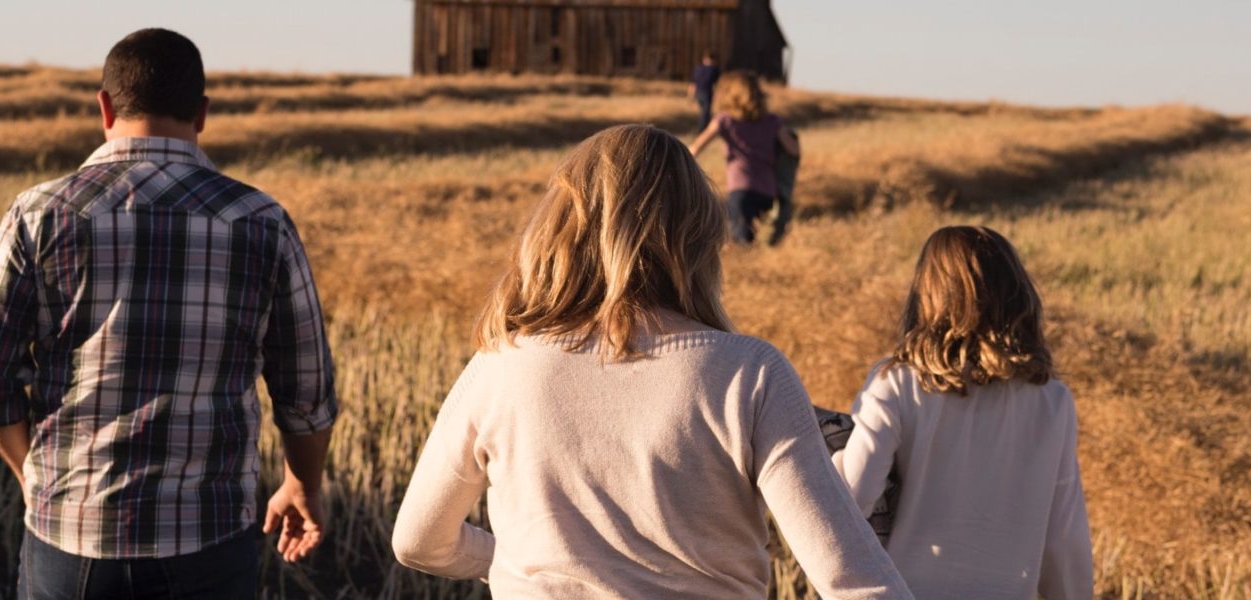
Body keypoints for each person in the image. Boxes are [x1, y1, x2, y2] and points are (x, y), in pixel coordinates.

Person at [390, 124, 912, 599]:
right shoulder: (749, 374)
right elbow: (857, 585)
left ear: (560, 227)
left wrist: (522, 565)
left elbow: (418, 540)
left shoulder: (501, 363)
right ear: (698, 234)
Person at [0, 28, 337, 599]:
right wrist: (303, 483)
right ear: (202, 113)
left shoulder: (39, 213)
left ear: (105, 107)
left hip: (71, 540)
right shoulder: (261, 220)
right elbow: (305, 390)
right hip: (209, 543)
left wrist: (35, 479)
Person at [840, 226, 1095, 599]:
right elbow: (1063, 537)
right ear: (1017, 296)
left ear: (927, 296)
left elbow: (851, 498)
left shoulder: (896, 383)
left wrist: (831, 453)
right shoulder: (1053, 401)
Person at [690, 71, 800, 245]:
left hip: (740, 190)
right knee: (760, 242)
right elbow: (793, 150)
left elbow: (695, 148)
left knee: (740, 244)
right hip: (767, 193)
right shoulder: (773, 122)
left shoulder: (724, 121)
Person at [690, 51, 721, 130]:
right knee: (706, 113)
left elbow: (693, 84)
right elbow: (716, 85)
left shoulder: (698, 68)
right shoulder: (714, 69)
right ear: (713, 60)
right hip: (707, 93)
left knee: (703, 112)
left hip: (698, 93)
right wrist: (718, 95)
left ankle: (704, 127)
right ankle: (702, 130)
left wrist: (690, 96)